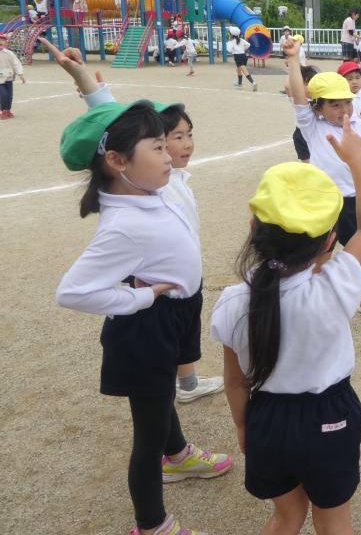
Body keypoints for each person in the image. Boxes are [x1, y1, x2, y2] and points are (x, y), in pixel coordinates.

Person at [55, 100, 231, 535]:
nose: (169, 155)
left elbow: (114, 119)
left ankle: (180, 455)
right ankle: (152, 525)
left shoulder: (151, 190)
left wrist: (95, 91)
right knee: (148, 433)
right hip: (147, 329)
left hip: (177, 313)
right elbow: (72, 291)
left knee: (161, 395)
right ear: (117, 162)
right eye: (158, 147)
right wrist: (139, 297)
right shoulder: (124, 223)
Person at [212, 146, 361, 535]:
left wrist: (243, 425)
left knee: (286, 517)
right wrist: (358, 163)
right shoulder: (334, 289)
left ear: (253, 227)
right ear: (329, 242)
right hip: (329, 418)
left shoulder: (232, 302)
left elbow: (235, 380)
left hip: (265, 419)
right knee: (334, 522)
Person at [47, 39, 227, 404]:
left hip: (181, 280)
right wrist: (87, 85)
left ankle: (187, 383)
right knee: (157, 385)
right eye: (167, 140)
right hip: (159, 287)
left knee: (183, 338)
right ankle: (177, 395)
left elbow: (119, 128)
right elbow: (115, 127)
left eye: (186, 135)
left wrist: (83, 77)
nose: (181, 145)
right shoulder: (152, 183)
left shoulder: (167, 176)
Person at [283, 38, 361, 320]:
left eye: (347, 102)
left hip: (354, 200)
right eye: (334, 104)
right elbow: (297, 94)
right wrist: (294, 59)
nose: (344, 109)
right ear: (318, 108)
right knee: (320, 253)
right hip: (323, 202)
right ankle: (313, 299)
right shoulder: (311, 125)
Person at [0, 33, 25, 120]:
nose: (0, 42)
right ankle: (3, 111)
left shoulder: (9, 53)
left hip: (9, 78)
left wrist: (20, 74)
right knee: (4, 95)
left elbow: (16, 64)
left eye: (2, 40)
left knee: (10, 96)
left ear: (6, 42)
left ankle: (8, 110)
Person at [228, 26, 257, 91]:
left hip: (238, 57)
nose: (228, 33)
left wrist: (234, 50)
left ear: (231, 34)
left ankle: (253, 82)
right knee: (238, 70)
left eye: (229, 32)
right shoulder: (241, 39)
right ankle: (239, 83)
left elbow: (230, 50)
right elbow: (248, 44)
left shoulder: (231, 41)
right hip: (244, 56)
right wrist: (242, 49)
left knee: (245, 71)